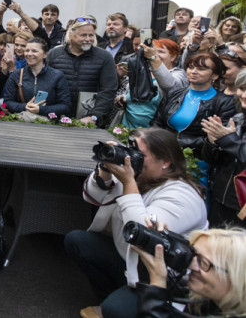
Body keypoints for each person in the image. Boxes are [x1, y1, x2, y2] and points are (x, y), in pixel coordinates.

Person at [65, 127, 208, 318]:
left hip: (165, 279)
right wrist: (106, 172)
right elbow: (91, 196)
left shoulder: (182, 196)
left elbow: (142, 235)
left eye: (140, 154)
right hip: (131, 259)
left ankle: (120, 306)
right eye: (130, 150)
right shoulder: (138, 174)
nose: (133, 158)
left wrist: (129, 183)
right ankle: (110, 296)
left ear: (165, 162)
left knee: (115, 309)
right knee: (78, 241)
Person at [135, 226, 246, 317]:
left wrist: (157, 286)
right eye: (193, 253)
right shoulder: (208, 303)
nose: (191, 266)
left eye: (203, 262)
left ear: (237, 278)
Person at [151, 52, 235, 154]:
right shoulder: (174, 93)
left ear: (215, 75)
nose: (193, 72)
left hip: (199, 159)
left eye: (201, 69)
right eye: (191, 67)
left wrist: (175, 143)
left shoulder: (224, 102)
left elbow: (215, 138)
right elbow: (157, 122)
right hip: (165, 153)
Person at [46, 17, 118, 126]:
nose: (88, 39)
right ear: (71, 35)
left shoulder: (104, 57)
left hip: (90, 121)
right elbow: (47, 86)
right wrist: (56, 111)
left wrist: (94, 116)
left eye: (91, 35)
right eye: (83, 35)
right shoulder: (54, 54)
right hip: (56, 118)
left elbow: (108, 90)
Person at [200, 68, 246, 228]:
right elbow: (212, 159)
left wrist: (227, 140)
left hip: (241, 207)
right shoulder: (238, 119)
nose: (244, 95)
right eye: (242, 89)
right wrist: (212, 142)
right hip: (220, 199)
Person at [3, 37, 71, 120]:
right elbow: (7, 102)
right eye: (27, 50)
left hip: (48, 125)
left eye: (34, 51)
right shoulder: (16, 75)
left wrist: (41, 110)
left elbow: (65, 106)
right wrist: (25, 107)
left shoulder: (57, 76)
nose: (29, 54)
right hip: (22, 123)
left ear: (45, 54)